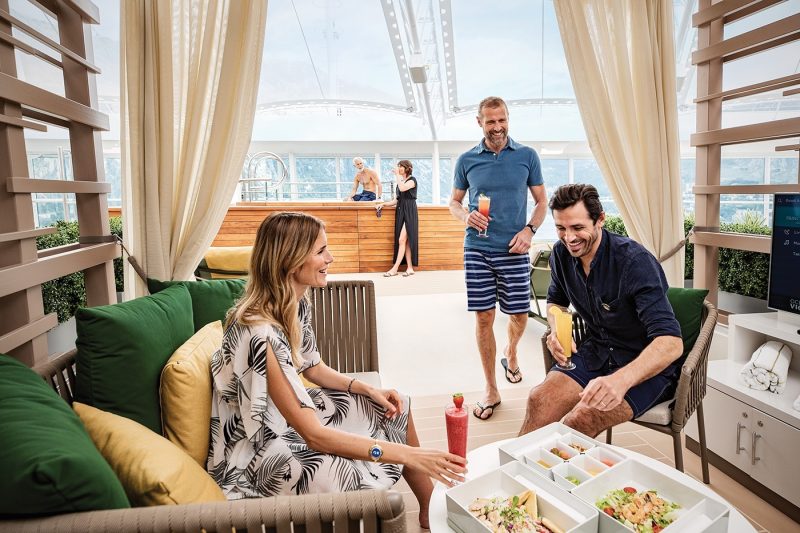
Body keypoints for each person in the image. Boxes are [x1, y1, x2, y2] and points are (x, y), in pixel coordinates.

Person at [207, 212, 465, 528]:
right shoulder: (260, 333)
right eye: (320, 251)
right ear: (291, 261)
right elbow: (314, 436)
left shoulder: (293, 303)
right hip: (254, 448)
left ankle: (430, 509)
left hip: (284, 416)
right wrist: (406, 454)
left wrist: (367, 388)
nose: (330, 257)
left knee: (392, 406)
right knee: (331, 467)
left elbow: (313, 367)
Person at [518, 184, 684, 438]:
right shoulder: (561, 255)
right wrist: (555, 329)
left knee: (582, 418)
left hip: (644, 367)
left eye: (577, 228)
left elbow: (671, 343)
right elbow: (555, 302)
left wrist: (620, 380)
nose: (569, 238)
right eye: (561, 228)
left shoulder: (635, 262)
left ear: (600, 220)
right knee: (539, 399)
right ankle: (520, 475)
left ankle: (562, 476)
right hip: (595, 352)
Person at [449, 96, 547, 421]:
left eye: (502, 120)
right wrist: (465, 216)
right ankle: (491, 388)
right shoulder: (466, 160)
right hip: (477, 248)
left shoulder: (527, 156)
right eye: (490, 121)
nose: (497, 127)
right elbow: (454, 202)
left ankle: (511, 351)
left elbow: (542, 202)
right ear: (480, 122)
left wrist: (530, 231)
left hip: (515, 249)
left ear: (508, 119)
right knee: (483, 318)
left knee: (520, 316)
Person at [376, 160, 418, 277]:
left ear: (407, 168)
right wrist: (383, 204)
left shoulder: (412, 180)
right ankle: (410, 268)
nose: (398, 168)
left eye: (401, 166)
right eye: (398, 166)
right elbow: (396, 200)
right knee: (406, 241)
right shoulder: (400, 181)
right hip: (401, 211)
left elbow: (403, 188)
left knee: (401, 239)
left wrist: (397, 176)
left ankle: (395, 269)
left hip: (409, 211)